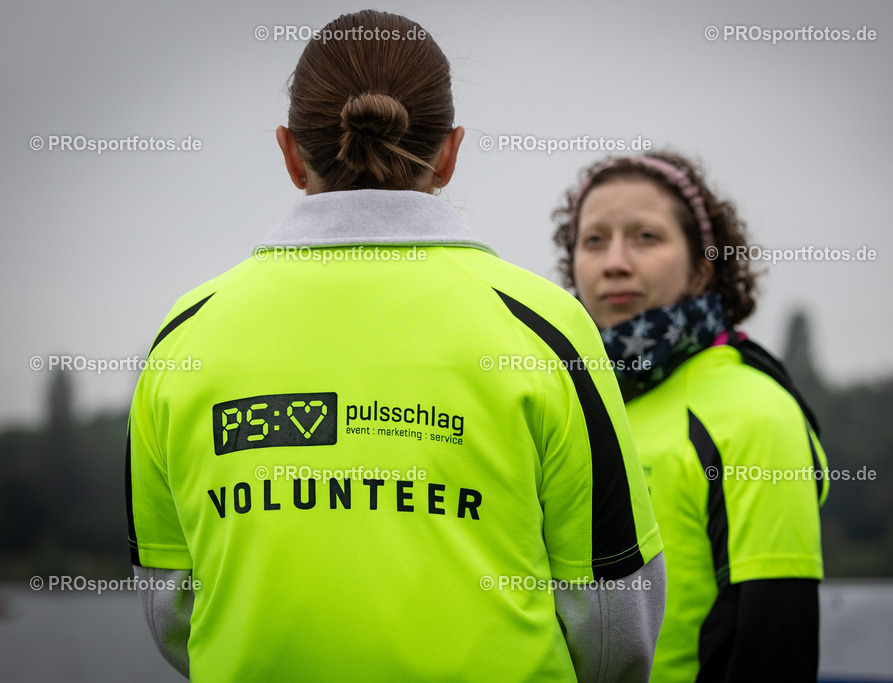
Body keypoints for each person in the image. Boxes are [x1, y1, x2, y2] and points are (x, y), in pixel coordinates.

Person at [125, 10, 665, 682]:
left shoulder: (185, 335)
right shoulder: (546, 327)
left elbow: (172, 611)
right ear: (450, 153)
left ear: (290, 153)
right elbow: (616, 623)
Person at [552, 152, 829, 682]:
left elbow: (775, 645)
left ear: (702, 269)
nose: (614, 262)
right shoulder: (571, 399)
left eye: (645, 237)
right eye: (594, 240)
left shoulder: (756, 413)